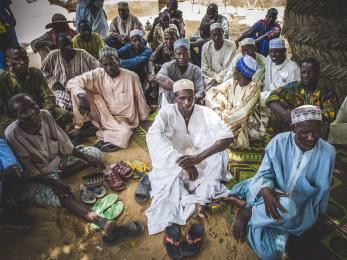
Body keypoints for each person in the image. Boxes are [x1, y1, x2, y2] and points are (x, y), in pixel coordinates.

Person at [226, 105, 335, 260]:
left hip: (298, 211)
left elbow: (324, 187)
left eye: (316, 131)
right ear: (293, 128)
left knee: (270, 254)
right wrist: (265, 190)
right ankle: (246, 212)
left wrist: (320, 213)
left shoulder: (328, 152)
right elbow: (264, 173)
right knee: (285, 205)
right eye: (304, 132)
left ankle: (251, 208)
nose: (311, 137)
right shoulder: (279, 142)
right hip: (270, 196)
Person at [4, 93, 118, 235]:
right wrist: (53, 183)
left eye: (33, 105)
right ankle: (98, 219)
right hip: (41, 175)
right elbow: (29, 171)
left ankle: (61, 175)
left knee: (94, 153)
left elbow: (65, 145)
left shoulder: (45, 115)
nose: (32, 111)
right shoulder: (12, 134)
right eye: (24, 111)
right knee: (63, 194)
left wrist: (87, 158)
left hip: (60, 163)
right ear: (17, 116)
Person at [146, 79, 234, 235]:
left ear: (195, 96)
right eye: (182, 98)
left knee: (220, 155)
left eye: (190, 98)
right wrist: (182, 163)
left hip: (201, 158)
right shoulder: (166, 113)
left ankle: (199, 200)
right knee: (168, 177)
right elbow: (152, 136)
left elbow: (227, 137)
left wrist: (198, 158)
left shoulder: (205, 112)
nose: (187, 102)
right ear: (175, 98)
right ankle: (197, 201)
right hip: (176, 161)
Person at [66, 46, 149, 152]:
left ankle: (95, 132)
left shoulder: (131, 77)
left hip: (123, 119)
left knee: (125, 133)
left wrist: (144, 117)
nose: (109, 68)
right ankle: (86, 124)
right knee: (77, 90)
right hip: (102, 113)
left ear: (118, 61)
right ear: (102, 65)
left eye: (112, 63)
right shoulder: (98, 73)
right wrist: (81, 95)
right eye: (105, 65)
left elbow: (140, 100)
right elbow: (72, 82)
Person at [0, 47, 72, 135]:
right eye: (16, 59)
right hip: (17, 118)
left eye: (24, 58)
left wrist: (41, 114)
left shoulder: (36, 73)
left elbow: (49, 97)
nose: (22, 62)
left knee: (64, 114)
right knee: (7, 132)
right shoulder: (3, 80)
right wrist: (21, 121)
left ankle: (55, 136)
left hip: (38, 111)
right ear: (8, 62)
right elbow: (2, 114)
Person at [266, 58, 338, 138]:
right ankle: (280, 140)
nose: (306, 75)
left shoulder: (326, 91)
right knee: (277, 107)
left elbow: (329, 114)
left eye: (310, 72)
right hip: (292, 126)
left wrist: (298, 117)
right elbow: (271, 97)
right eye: (303, 72)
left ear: (317, 74)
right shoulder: (293, 87)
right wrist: (285, 113)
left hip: (314, 129)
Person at [205, 55, 265, 149]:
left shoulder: (254, 88)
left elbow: (243, 113)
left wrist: (220, 120)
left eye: (235, 68)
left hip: (246, 123)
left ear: (241, 74)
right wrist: (216, 109)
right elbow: (211, 92)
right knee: (217, 96)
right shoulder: (233, 81)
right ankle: (219, 128)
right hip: (226, 116)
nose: (233, 69)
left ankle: (220, 129)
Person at [41, 34, 100, 112]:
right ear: (58, 47)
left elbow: (99, 68)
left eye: (69, 44)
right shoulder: (52, 56)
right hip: (63, 91)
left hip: (83, 90)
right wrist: (53, 83)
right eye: (64, 46)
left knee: (93, 101)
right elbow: (43, 71)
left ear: (72, 44)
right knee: (57, 98)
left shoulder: (82, 54)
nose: (68, 48)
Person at [156, 38, 204, 107]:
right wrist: (180, 88)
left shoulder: (196, 70)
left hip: (189, 102)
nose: (182, 57)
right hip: (171, 101)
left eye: (185, 54)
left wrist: (191, 99)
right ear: (174, 55)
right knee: (163, 86)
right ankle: (166, 112)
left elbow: (200, 91)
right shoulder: (168, 66)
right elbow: (159, 78)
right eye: (179, 54)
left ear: (189, 55)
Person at [201, 23, 236, 89]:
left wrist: (217, 79)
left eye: (219, 34)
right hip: (209, 77)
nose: (216, 37)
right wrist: (214, 78)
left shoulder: (231, 46)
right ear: (210, 34)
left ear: (222, 33)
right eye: (214, 35)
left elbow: (229, 68)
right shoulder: (206, 47)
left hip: (225, 77)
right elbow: (204, 67)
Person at [147, 28, 178, 105]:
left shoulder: (179, 48)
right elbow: (151, 59)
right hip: (164, 72)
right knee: (152, 78)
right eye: (167, 39)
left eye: (172, 39)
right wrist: (153, 72)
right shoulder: (162, 47)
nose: (169, 41)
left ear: (176, 38)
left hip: (177, 73)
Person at [0, 0, 19, 71]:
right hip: (5, 29)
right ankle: (7, 72)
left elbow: (7, 4)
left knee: (14, 49)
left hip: (7, 26)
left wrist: (12, 17)